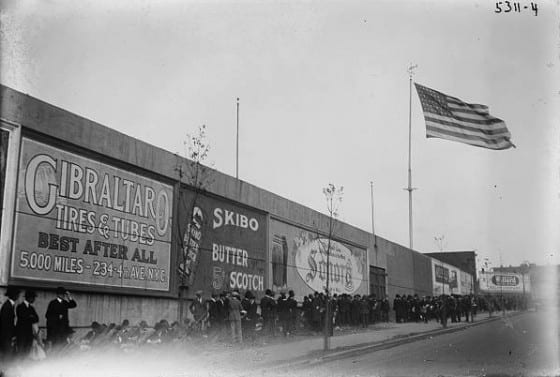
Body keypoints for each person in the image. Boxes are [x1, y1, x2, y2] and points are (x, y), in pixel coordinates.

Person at [16, 290, 40, 357]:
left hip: (29, 334)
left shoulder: (31, 308)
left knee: (27, 351)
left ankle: (24, 366)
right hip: (21, 333)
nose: (34, 299)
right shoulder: (20, 306)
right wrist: (30, 317)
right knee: (21, 351)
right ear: (29, 298)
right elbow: (22, 318)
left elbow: (37, 318)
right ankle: (19, 365)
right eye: (33, 298)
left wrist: (29, 317)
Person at [0, 286, 20, 360]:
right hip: (5, 336)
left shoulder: (10, 305)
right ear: (13, 295)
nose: (18, 296)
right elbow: (5, 323)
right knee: (6, 354)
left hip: (7, 335)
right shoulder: (7, 306)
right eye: (17, 294)